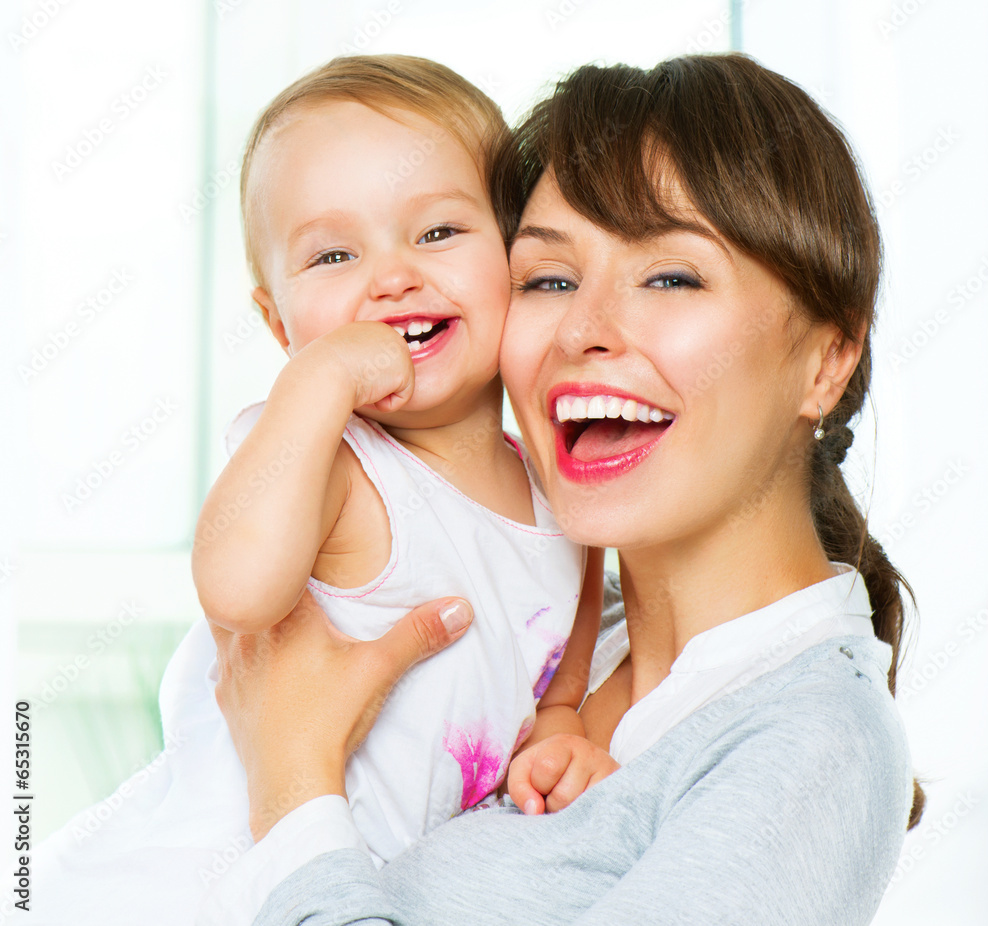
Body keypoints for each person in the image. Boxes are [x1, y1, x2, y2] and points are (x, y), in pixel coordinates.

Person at [203, 53, 922, 925]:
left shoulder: (813, 744)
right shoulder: (541, 628)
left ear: (826, 364)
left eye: (671, 277)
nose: (583, 328)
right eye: (547, 279)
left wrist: (292, 792)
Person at [32, 55, 609, 925]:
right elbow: (237, 588)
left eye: (438, 232)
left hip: (341, 889)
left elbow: (563, 670)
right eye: (334, 254)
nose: (391, 277)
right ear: (278, 323)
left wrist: (561, 729)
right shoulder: (330, 458)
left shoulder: (560, 498)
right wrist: (319, 384)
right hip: (183, 891)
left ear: (517, 257)